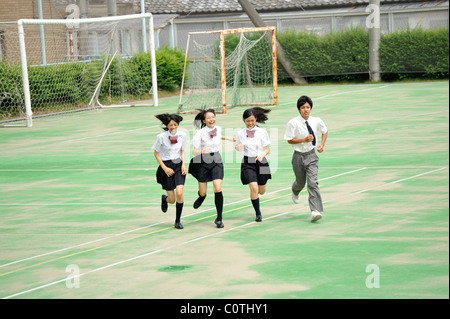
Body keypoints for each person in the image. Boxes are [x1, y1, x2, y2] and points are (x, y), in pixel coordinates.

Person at [188, 108, 235, 228]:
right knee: (203, 191)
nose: (211, 119)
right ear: (204, 120)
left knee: (217, 188)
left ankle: (219, 218)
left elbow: (218, 136)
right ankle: (201, 196)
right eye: (208, 117)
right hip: (203, 161)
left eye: (213, 116)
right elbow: (194, 151)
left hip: (216, 159)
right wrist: (202, 151)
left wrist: (230, 138)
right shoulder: (200, 133)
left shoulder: (218, 128)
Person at [284, 95, 328, 222]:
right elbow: (289, 140)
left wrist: (321, 144)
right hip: (298, 156)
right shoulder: (292, 123)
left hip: (311, 155)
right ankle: (295, 191)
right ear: (299, 109)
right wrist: (304, 140)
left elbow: (325, 131)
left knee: (313, 183)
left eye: (308, 107)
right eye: (303, 107)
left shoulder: (316, 120)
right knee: (300, 182)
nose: (306, 110)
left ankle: (315, 210)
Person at [235, 107, 271, 222]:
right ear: (243, 120)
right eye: (247, 121)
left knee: (262, 190)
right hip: (248, 162)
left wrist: (262, 155)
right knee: (253, 188)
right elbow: (237, 146)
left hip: (262, 162)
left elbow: (267, 149)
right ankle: (258, 213)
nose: (250, 123)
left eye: (252, 120)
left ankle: (260, 191)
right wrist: (238, 147)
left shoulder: (262, 132)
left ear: (255, 119)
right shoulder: (240, 133)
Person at [152, 113, 187, 229]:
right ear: (167, 126)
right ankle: (165, 199)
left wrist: (184, 164)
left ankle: (177, 221)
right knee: (172, 200)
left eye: (175, 125)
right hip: (166, 166)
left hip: (178, 165)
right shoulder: (161, 137)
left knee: (180, 192)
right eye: (170, 125)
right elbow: (156, 153)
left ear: (178, 125)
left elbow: (183, 150)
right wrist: (164, 168)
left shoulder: (183, 135)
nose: (173, 127)